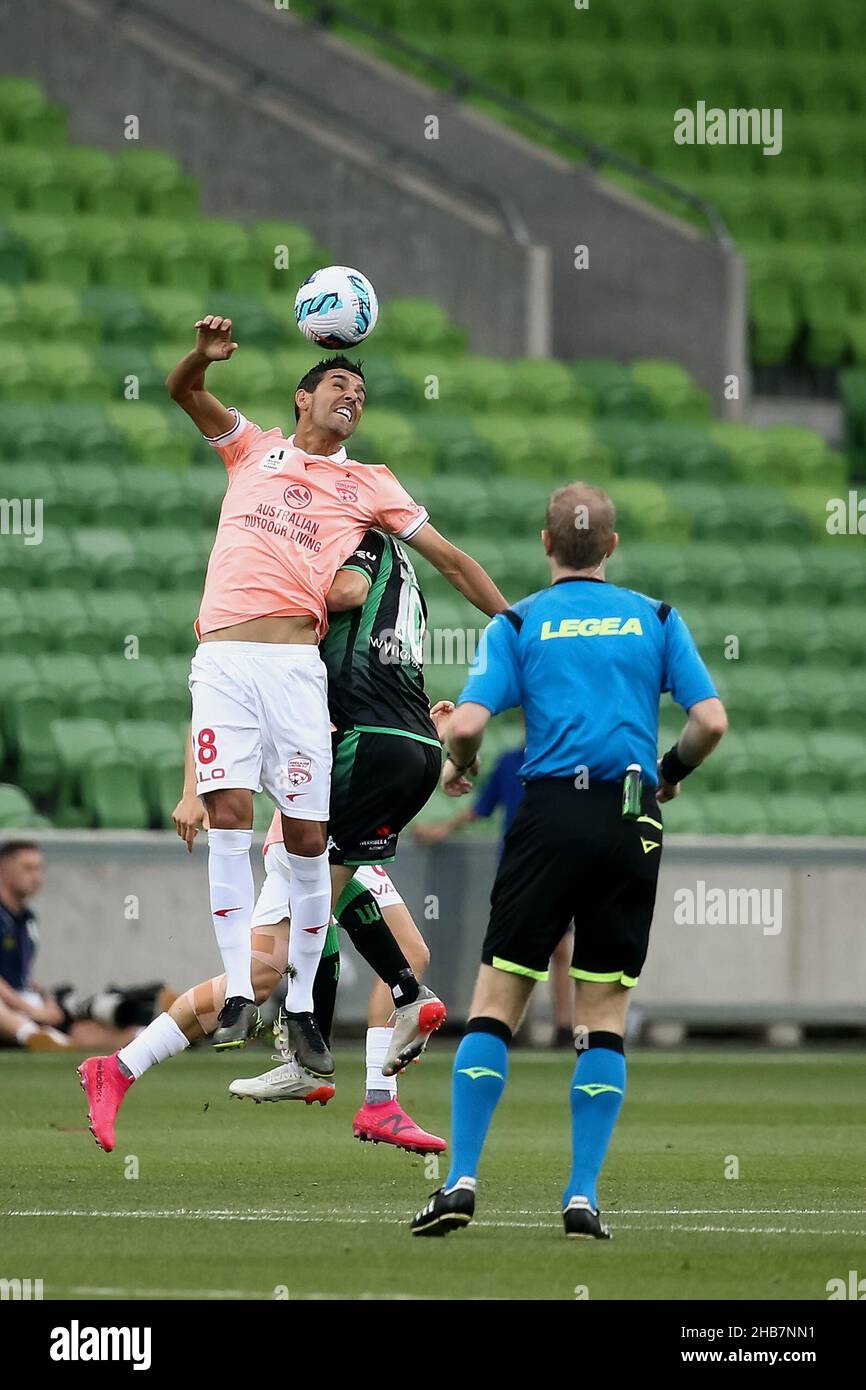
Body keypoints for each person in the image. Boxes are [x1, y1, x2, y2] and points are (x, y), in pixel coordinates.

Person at [164, 319, 506, 1063]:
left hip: (294, 668)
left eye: (362, 392)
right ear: (303, 397)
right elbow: (183, 390)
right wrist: (203, 356)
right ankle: (237, 993)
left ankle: (302, 1011)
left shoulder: (369, 482)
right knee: (229, 818)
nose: (352, 397)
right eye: (339, 386)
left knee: (309, 840)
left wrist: (514, 624)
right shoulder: (250, 447)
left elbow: (448, 560)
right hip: (221, 658)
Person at [410, 482, 727, 1239]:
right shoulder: (656, 617)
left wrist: (461, 758)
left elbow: (472, 723)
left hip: (548, 813)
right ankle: (582, 1195)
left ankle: (459, 1181)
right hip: (628, 813)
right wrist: (669, 773)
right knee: (604, 1014)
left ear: (546, 544)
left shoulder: (518, 621)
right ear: (611, 548)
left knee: (496, 1002)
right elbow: (710, 722)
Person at [78, 534, 455, 1155]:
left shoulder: (359, 596)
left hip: (344, 781)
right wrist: (193, 785)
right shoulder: (297, 600)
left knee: (405, 953)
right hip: (311, 803)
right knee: (261, 970)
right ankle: (122, 1067)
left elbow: (363, 676)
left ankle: (368, 1095)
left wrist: (418, 725)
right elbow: (222, 696)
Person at [414, 733, 576, 1046]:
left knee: (559, 948)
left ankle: (563, 1026)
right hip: (517, 866)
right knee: (513, 947)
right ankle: (505, 1022)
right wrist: (442, 829)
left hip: (556, 863)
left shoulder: (564, 760)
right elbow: (482, 807)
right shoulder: (510, 762)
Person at [0, 841, 169, 1052]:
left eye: (39, 868)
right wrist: (33, 1011)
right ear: (4, 871)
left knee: (84, 1026)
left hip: (24, 1002)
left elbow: (19, 976)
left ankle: (151, 1033)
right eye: (28, 869)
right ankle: (30, 1034)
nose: (37, 877)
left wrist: (45, 1000)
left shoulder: (27, 918)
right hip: (10, 1008)